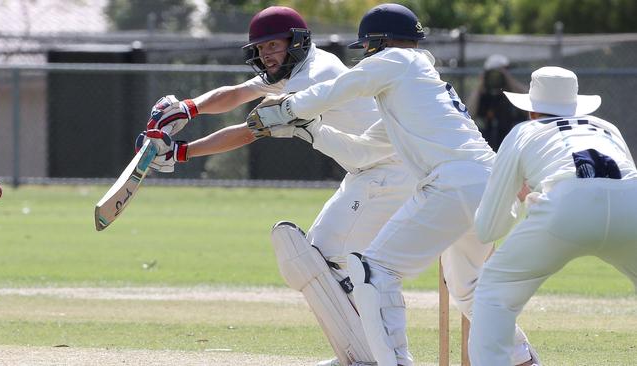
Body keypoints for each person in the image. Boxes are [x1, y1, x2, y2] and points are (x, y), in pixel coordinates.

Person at [247, 3, 540, 366]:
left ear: (377, 44)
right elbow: (363, 153)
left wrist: (289, 107)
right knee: (471, 292)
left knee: (374, 270)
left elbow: (344, 86)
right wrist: (310, 130)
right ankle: (524, 361)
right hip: (489, 188)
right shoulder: (414, 92)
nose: (365, 57)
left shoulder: (401, 61)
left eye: (367, 50)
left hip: (456, 183)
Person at [137, 6, 418, 366]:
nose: (266, 54)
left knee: (324, 259)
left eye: (273, 45)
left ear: (296, 42)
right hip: (371, 171)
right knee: (328, 261)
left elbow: (250, 131)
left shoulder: (312, 76)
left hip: (388, 172)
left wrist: (183, 152)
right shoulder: (295, 68)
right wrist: (189, 108)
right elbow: (237, 93)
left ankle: (379, 355)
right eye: (260, 48)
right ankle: (371, 352)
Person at [470, 66, 637, 365]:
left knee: (493, 294)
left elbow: (487, 229)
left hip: (566, 206)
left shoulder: (523, 131)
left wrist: (522, 202)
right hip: (632, 203)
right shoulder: (606, 127)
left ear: (532, 111)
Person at [466, 54, 527, 151]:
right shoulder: (482, 95)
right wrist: (480, 85)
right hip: (486, 148)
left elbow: (528, 106)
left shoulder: (513, 95)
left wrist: (509, 80)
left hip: (510, 147)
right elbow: (468, 115)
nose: (496, 77)